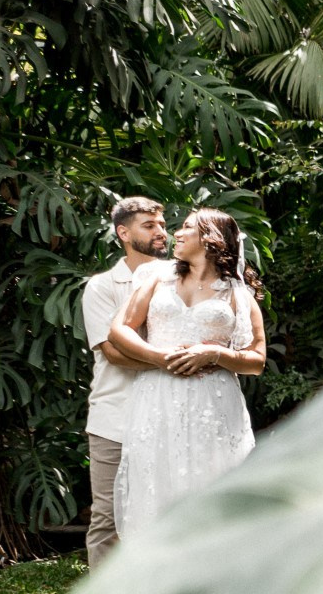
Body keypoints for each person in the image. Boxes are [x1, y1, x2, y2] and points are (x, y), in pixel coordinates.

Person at [105, 208, 267, 537]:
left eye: (188, 227)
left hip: (213, 404)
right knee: (158, 479)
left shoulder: (237, 294)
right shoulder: (156, 279)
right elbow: (119, 331)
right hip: (158, 397)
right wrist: (160, 357)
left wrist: (216, 353)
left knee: (212, 481)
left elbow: (257, 359)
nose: (177, 233)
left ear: (211, 240)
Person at [79, 196, 169, 567]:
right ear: (123, 232)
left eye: (162, 225)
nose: (161, 232)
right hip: (114, 417)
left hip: (168, 412)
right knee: (107, 516)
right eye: (149, 226)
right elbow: (112, 351)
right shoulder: (102, 286)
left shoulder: (179, 280)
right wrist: (172, 362)